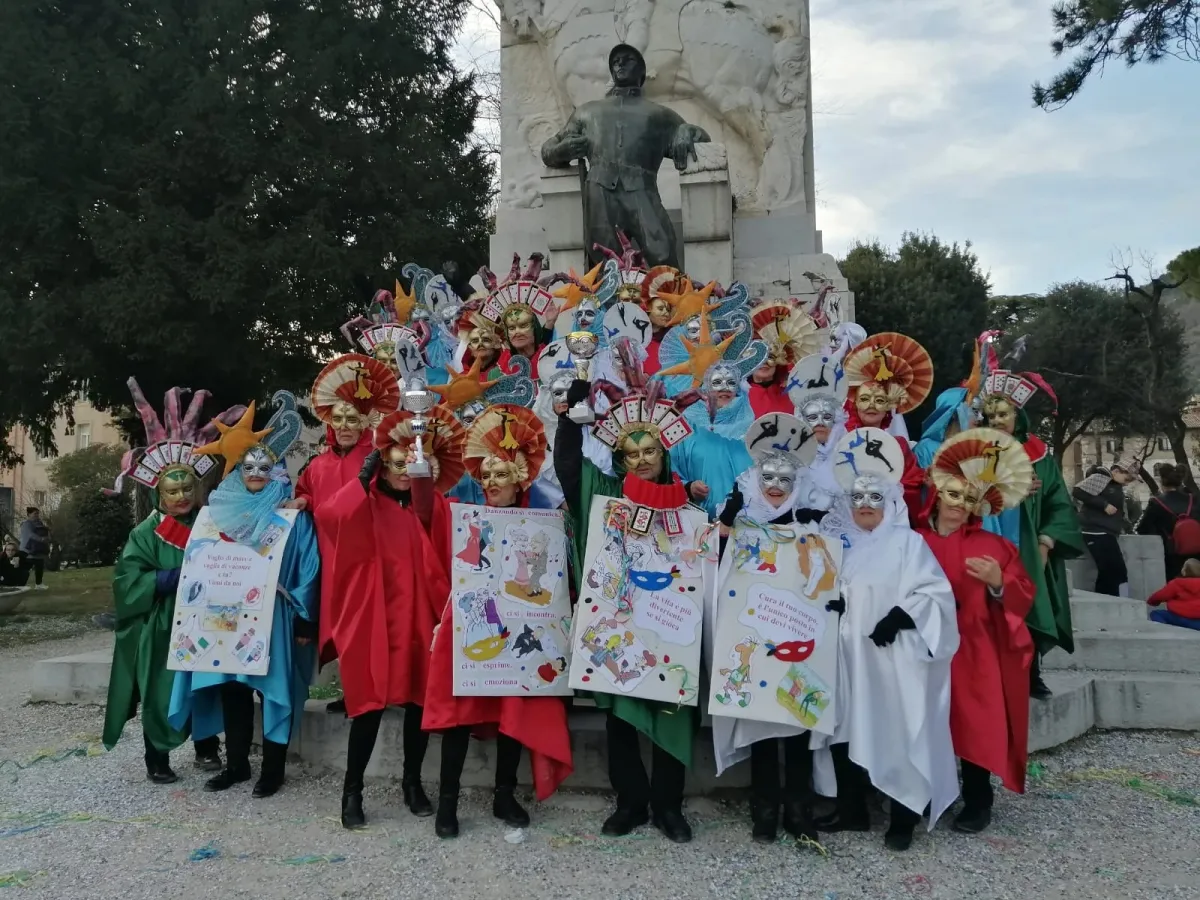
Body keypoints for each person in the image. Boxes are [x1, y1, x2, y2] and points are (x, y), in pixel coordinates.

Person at [555, 339, 702, 842]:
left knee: (671, 708)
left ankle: (668, 806)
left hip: (670, 623)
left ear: (664, 452)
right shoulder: (606, 494)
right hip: (618, 622)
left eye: (650, 451)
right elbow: (569, 470)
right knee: (619, 713)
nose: (641, 460)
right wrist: (573, 405)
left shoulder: (689, 503)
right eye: (632, 452)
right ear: (621, 456)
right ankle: (631, 803)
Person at [423, 404, 573, 837]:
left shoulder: (547, 519)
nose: (491, 483)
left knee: (515, 703)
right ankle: (447, 801)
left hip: (522, 621)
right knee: (460, 710)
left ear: (521, 478)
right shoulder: (461, 512)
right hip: (471, 618)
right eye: (486, 476)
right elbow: (423, 508)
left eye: (501, 474)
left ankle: (504, 794)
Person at [813, 428, 959, 851]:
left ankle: (903, 818)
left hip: (893, 660)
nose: (864, 506)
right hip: (851, 659)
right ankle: (853, 809)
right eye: (857, 499)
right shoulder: (847, 547)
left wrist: (900, 617)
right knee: (846, 729)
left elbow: (934, 592)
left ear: (890, 502)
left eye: (874, 499)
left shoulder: (908, 543)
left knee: (896, 730)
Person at [171, 393, 320, 798]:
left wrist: (306, 618)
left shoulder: (291, 516)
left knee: (274, 693)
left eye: (264, 466)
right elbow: (200, 562)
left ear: (274, 470)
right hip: (225, 620)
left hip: (274, 620)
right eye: (248, 466)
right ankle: (236, 765)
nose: (256, 473)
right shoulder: (216, 513)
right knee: (233, 693)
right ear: (238, 469)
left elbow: (308, 565)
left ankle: (272, 769)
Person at [324, 402, 464, 830]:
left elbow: (441, 532)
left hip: (419, 618)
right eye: (396, 463)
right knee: (366, 707)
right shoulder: (364, 502)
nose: (403, 471)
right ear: (382, 465)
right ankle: (352, 791)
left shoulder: (431, 504)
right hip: (374, 618)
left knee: (419, 704)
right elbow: (329, 517)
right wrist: (360, 479)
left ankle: (411, 782)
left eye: (412, 464)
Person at [102, 379, 238, 782]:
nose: (180, 496)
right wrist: (164, 579)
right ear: (159, 492)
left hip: (208, 618)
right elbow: (126, 579)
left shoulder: (213, 523)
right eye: (172, 489)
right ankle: (156, 758)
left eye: (186, 488)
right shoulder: (146, 532)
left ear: (196, 488)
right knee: (161, 689)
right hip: (163, 622)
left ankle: (207, 748)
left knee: (206, 684)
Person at [710, 414, 822, 843]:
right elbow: (716, 571)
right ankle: (764, 808)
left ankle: (798, 808)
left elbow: (826, 576)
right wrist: (726, 530)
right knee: (759, 718)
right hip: (755, 634)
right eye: (768, 477)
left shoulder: (811, 520)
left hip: (796, 633)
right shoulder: (738, 518)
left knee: (796, 719)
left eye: (784, 478)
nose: (775, 485)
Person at [919, 428, 1037, 834]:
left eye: (970, 499)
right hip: (920, 648)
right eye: (954, 495)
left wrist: (998, 582)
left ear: (979, 507)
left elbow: (1023, 594)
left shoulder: (995, 547)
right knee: (922, 720)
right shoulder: (911, 541)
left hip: (975, 647)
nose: (960, 505)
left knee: (973, 720)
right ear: (939, 493)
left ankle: (977, 799)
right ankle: (924, 794)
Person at [292, 354, 400, 713]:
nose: (344, 426)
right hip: (329, 557)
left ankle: (374, 690)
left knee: (367, 628)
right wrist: (303, 501)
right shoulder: (318, 464)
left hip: (368, 556)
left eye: (352, 419)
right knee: (337, 627)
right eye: (338, 419)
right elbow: (306, 490)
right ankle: (348, 689)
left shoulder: (379, 458)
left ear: (365, 421)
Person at [540, 43, 709, 268]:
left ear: (642, 72)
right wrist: (559, 151)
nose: (619, 63)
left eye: (627, 59)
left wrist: (687, 131)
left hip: (642, 190)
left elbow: (704, 140)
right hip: (600, 193)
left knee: (664, 254)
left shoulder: (659, 115)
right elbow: (549, 148)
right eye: (615, 61)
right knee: (605, 264)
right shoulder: (588, 112)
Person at [978, 369, 1084, 700]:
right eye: (990, 415)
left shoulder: (1040, 456)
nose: (997, 420)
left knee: (1029, 607)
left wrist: (1046, 541)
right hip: (988, 541)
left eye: (1003, 413)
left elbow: (1058, 502)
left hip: (1029, 546)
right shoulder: (976, 450)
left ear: (1017, 415)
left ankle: (1032, 674)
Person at [839, 332, 933, 522]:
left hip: (889, 522)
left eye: (880, 400)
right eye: (865, 399)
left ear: (889, 406)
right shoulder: (839, 440)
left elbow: (911, 487)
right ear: (854, 402)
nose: (872, 405)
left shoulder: (898, 446)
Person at [1073, 462, 1134, 596]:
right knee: (1114, 570)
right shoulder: (1101, 477)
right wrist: (1104, 505)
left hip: (1106, 530)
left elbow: (1118, 511)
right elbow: (1078, 491)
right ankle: (1114, 599)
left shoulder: (1115, 486)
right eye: (1127, 479)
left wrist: (1127, 526)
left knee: (1112, 571)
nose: (1127, 483)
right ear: (1117, 471)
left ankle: (1111, 598)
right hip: (1095, 530)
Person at [1136, 463, 1200, 580]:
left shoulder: (1156, 502)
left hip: (1171, 553)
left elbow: (1143, 529)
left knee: (1175, 585)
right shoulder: (1194, 499)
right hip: (1196, 551)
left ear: (1162, 481)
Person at [1146, 558, 1200, 630]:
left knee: (1156, 613)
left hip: (1178, 619)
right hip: (1197, 622)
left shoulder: (1177, 583)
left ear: (1184, 571)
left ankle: (1165, 631)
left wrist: (1151, 601)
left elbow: (1160, 595)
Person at [17, 507, 50, 589]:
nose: (37, 515)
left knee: (39, 567)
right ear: (29, 514)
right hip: (27, 550)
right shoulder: (26, 523)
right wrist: (41, 539)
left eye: (38, 513)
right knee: (25, 569)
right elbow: (30, 534)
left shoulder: (39, 523)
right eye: (35, 513)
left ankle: (38, 584)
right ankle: (20, 585)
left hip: (38, 549)